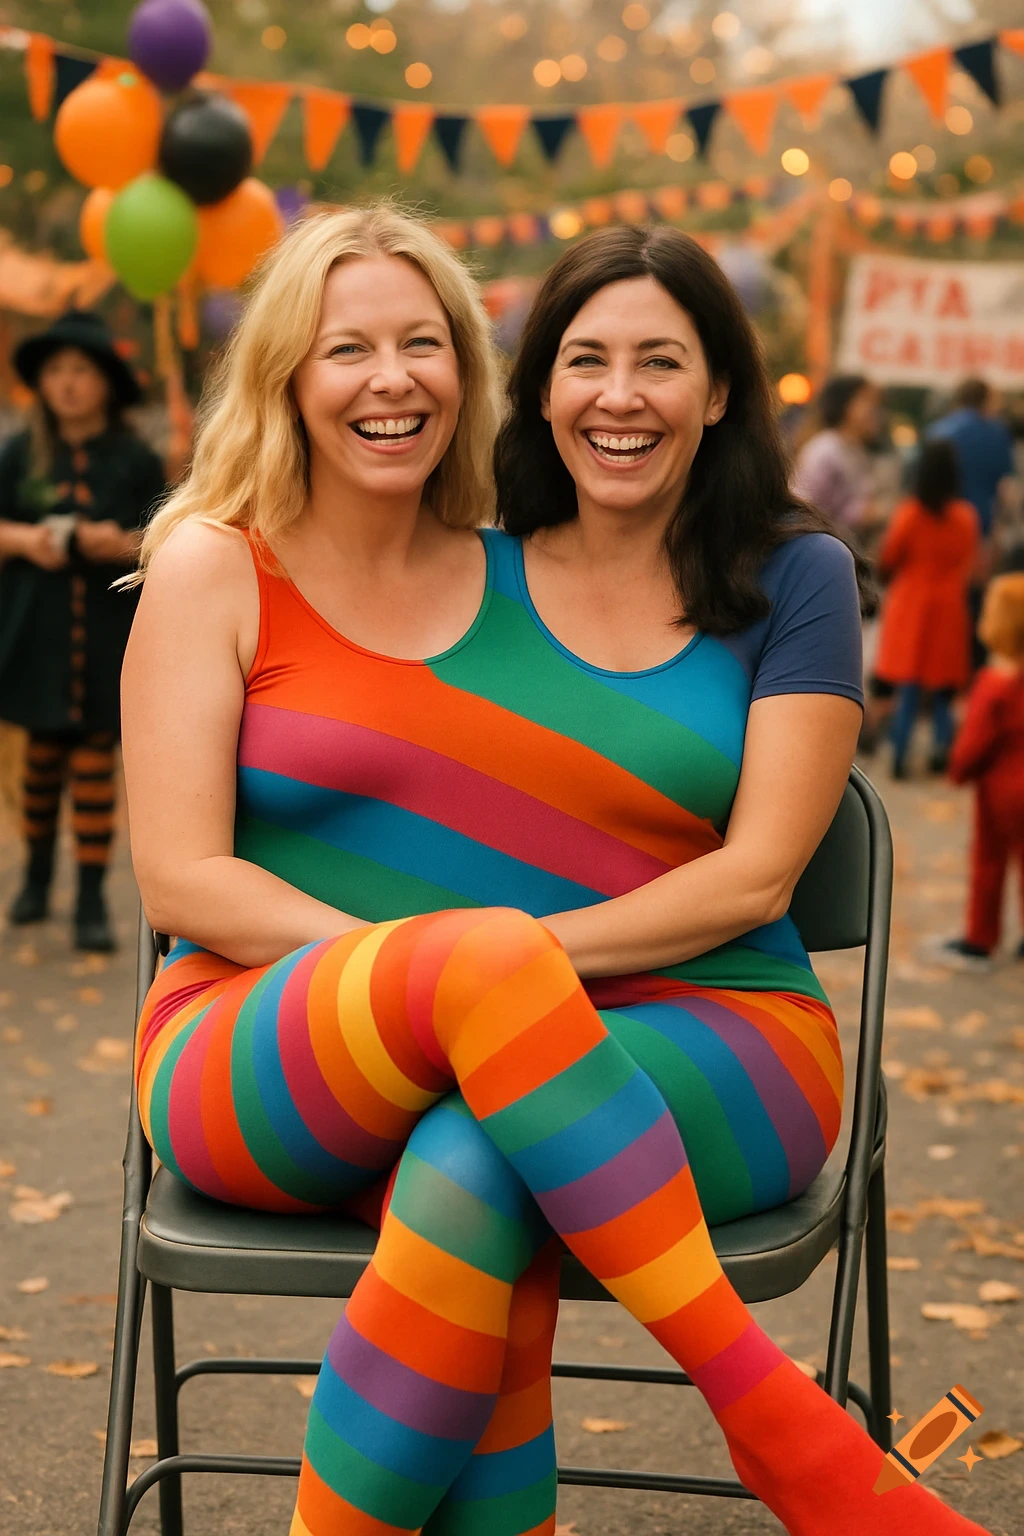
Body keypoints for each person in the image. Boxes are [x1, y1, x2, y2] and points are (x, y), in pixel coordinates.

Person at [122, 209, 993, 1536]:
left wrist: (488, 996)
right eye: (346, 346)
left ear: (722, 390)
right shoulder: (395, 553)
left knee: (482, 1167)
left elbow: (757, 880)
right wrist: (445, 981)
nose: (623, 396)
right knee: (488, 1018)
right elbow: (182, 880)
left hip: (659, 1039)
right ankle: (778, 1420)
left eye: (423, 342)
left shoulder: (709, 567)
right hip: (292, 1031)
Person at [0, 309, 165, 950]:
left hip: (108, 639)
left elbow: (167, 540)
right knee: (41, 765)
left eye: (80, 370)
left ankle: (92, 898)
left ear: (106, 382)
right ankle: (38, 875)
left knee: (97, 762)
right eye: (55, 371)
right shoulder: (19, 454)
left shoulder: (134, 459)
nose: (67, 383)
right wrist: (23, 538)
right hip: (34, 635)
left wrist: (118, 544)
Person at [873, 439, 979, 779]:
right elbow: (969, 561)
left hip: (912, 604)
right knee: (943, 688)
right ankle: (940, 751)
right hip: (948, 606)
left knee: (909, 686)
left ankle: (900, 756)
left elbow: (889, 557)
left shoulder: (909, 513)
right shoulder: (965, 516)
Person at [939, 574, 1024, 970]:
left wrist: (958, 771)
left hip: (1000, 791)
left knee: (989, 861)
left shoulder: (993, 684)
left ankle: (980, 937)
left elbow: (975, 743)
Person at [790, 373, 883, 533]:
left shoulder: (855, 450)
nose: (875, 412)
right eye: (867, 401)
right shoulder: (825, 450)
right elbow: (805, 508)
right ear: (846, 405)